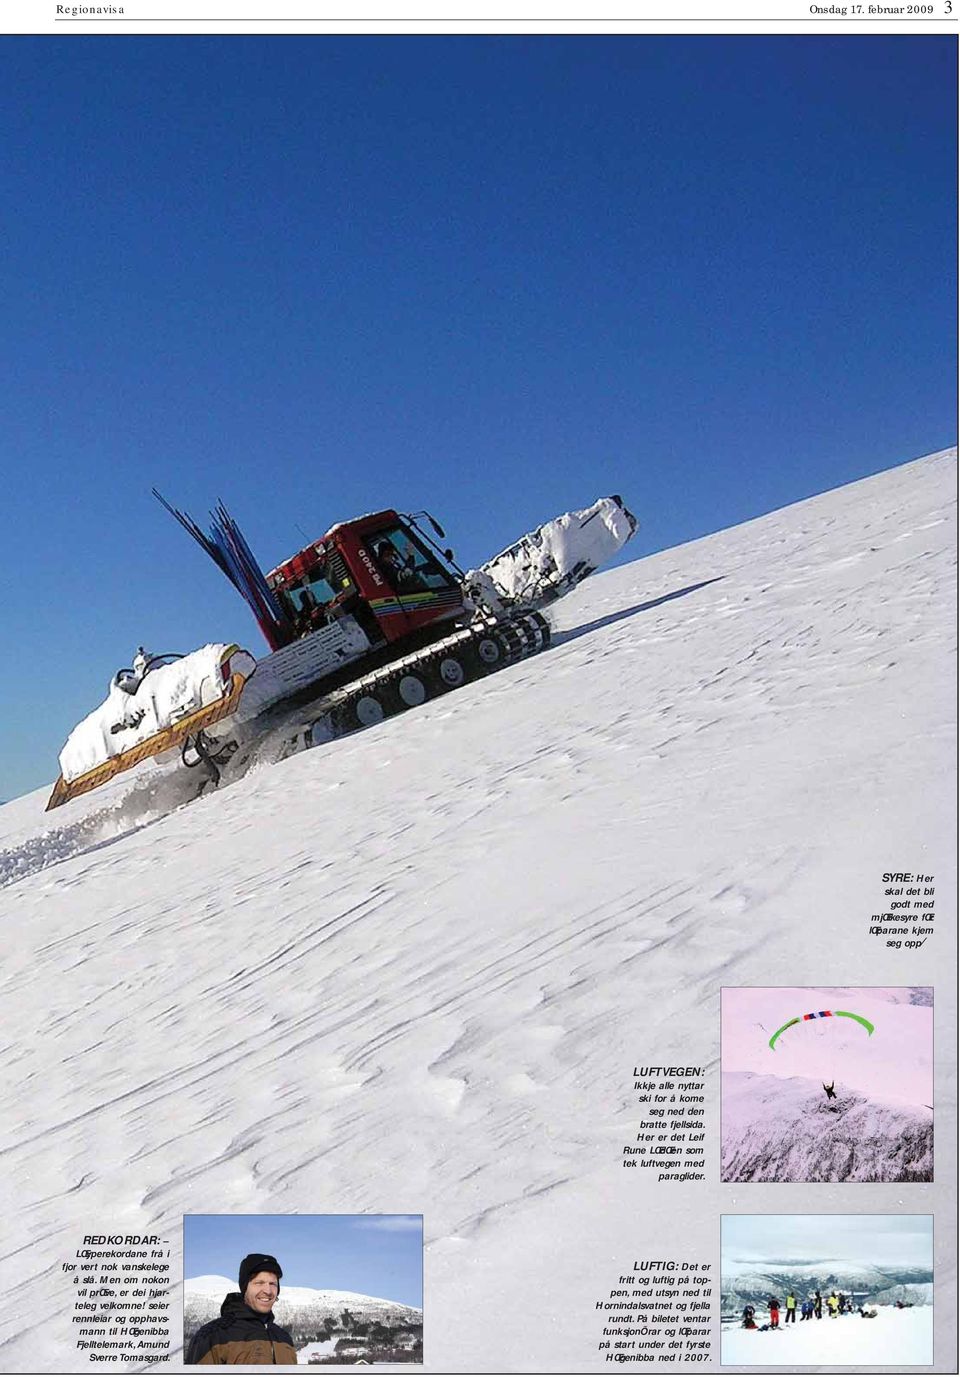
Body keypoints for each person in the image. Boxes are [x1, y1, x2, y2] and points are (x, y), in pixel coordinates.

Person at [186, 1253, 297, 1364]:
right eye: (259, 1283)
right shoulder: (212, 1336)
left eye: (273, 1283)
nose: (268, 1291)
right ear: (245, 1288)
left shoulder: (284, 1339)